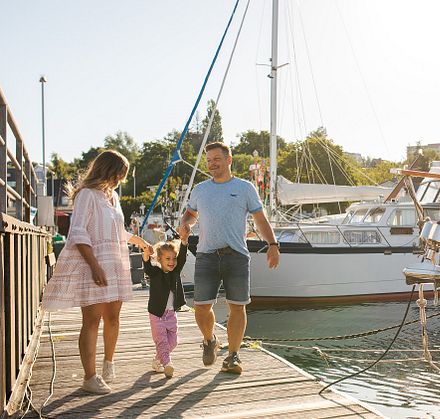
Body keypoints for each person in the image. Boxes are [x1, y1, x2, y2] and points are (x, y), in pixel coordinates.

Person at [41, 150, 150, 394]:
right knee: (92, 321)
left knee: (113, 318)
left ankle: (108, 364)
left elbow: (116, 231)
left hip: (116, 263)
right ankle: (90, 378)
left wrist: (139, 241)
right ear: (108, 170)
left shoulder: (113, 197)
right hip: (95, 264)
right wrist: (94, 266)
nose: (120, 179)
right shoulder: (87, 195)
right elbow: (78, 232)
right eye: (120, 174)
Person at [180, 142, 280, 374]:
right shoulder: (201, 190)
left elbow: (260, 219)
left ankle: (233, 356)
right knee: (201, 307)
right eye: (209, 160)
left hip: (236, 255)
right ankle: (209, 340)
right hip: (206, 255)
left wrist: (273, 244)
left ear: (229, 160)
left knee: (238, 306)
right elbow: (190, 214)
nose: (212, 164)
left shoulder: (245, 188)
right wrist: (185, 224)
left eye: (216, 159)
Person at [142, 226, 188, 378]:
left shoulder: (175, 272)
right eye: (168, 259)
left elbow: (182, 258)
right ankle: (168, 364)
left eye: (173, 258)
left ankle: (158, 359)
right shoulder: (155, 273)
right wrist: (146, 255)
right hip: (157, 313)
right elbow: (147, 267)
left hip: (170, 314)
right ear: (159, 259)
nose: (172, 262)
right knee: (161, 341)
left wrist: (184, 241)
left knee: (173, 342)